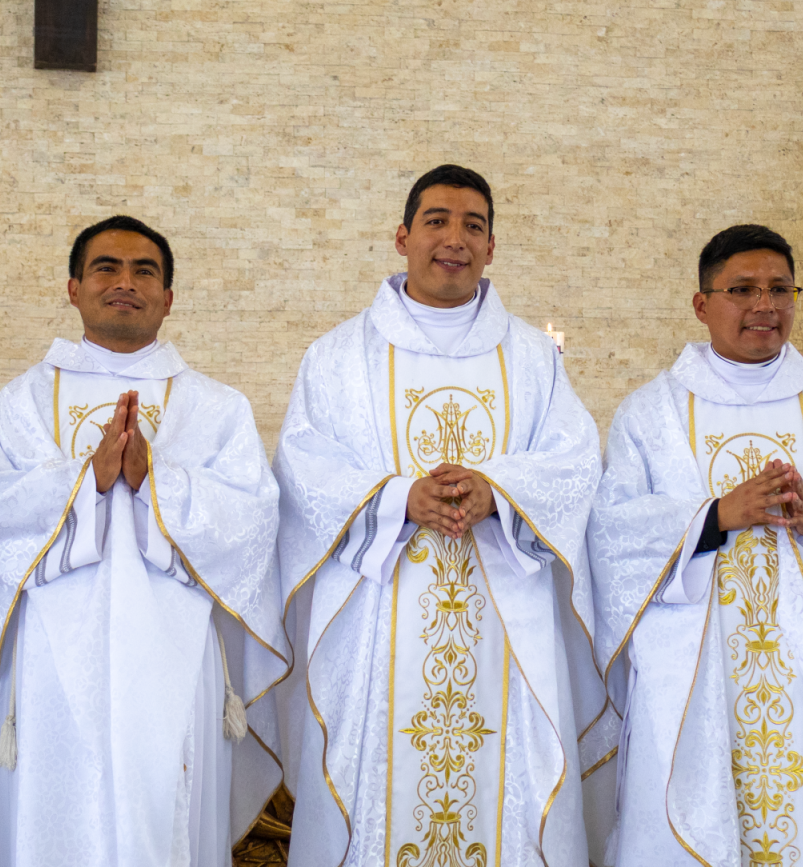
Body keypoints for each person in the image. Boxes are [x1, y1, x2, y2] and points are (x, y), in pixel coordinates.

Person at [273, 165, 605, 866]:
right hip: (377, 627)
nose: (454, 238)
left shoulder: (532, 359)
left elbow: (576, 464)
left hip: (504, 631)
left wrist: (499, 492)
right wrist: (399, 499)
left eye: (474, 226)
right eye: (437, 220)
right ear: (401, 236)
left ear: (492, 248)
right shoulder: (338, 357)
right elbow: (304, 466)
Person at [586, 224, 803, 866]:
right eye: (743, 289)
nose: (765, 306)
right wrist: (716, 514)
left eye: (780, 289)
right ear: (702, 305)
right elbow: (611, 533)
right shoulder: (652, 414)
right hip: (693, 670)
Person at [0, 216, 287, 866]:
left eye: (145, 271)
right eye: (106, 267)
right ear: (74, 287)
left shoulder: (216, 409)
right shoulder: (21, 403)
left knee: (166, 821)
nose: (125, 282)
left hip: (178, 655)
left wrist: (151, 482)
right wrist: (91, 479)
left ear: (169, 297)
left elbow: (252, 521)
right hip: (52, 662)